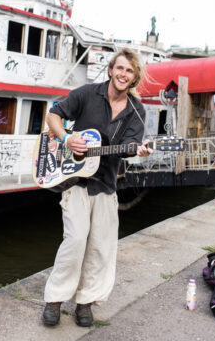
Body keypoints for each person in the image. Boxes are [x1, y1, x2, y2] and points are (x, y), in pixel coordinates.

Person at [42, 48, 152, 328]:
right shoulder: (87, 94)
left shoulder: (136, 111)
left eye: (129, 71)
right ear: (111, 69)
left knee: (101, 247)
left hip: (106, 184)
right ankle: (54, 300)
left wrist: (138, 152)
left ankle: (84, 303)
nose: (123, 74)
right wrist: (67, 139)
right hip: (75, 179)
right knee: (76, 240)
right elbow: (53, 116)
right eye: (120, 68)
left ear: (134, 76)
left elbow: (127, 149)